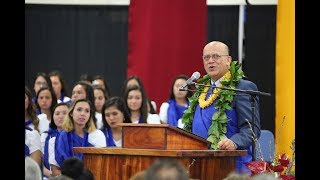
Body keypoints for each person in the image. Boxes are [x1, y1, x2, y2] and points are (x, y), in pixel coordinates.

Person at [181, 41, 261, 173]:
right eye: (206, 57)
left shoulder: (242, 88)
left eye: (216, 56)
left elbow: (252, 130)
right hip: (200, 164)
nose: (210, 61)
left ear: (228, 60)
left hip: (232, 165)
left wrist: (234, 142)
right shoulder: (201, 89)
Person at [54, 99, 106, 175]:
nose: (83, 114)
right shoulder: (63, 136)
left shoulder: (95, 135)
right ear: (71, 113)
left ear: (89, 115)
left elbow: (99, 163)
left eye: (87, 111)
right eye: (79, 110)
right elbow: (62, 160)